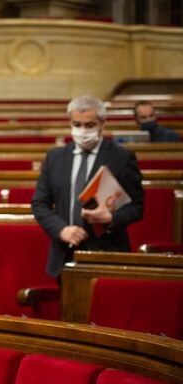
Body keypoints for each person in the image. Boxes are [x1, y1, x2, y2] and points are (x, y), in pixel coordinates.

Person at [32, 95, 144, 277]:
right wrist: (61, 229)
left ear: (102, 123)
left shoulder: (122, 158)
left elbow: (137, 207)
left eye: (89, 125)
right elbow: (39, 204)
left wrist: (111, 218)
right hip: (64, 253)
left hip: (107, 253)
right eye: (77, 125)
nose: (82, 131)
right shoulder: (55, 157)